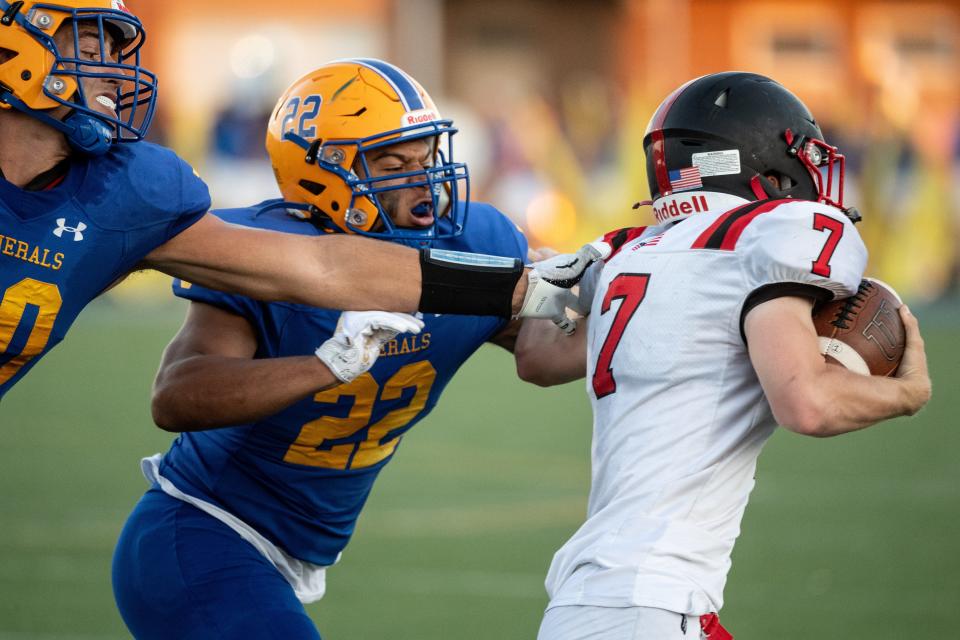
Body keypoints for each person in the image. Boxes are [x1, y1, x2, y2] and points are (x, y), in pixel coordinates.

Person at [110, 58, 550, 639]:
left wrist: (605, 291)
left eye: (426, 159)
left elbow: (541, 357)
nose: (423, 182)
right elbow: (176, 397)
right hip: (204, 531)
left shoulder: (473, 241)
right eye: (394, 165)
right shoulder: (271, 255)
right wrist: (323, 365)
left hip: (297, 547)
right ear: (322, 174)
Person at [514, 72, 933, 639]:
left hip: (585, 603)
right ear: (759, 162)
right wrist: (906, 394)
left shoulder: (629, 252)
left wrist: (555, 282)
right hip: (656, 604)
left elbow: (538, 360)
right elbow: (807, 403)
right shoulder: (770, 231)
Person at [0, 1, 587, 401]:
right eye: (85, 41)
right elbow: (178, 393)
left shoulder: (126, 186)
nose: (113, 70)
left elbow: (324, 267)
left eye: (113, 46)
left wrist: (537, 285)